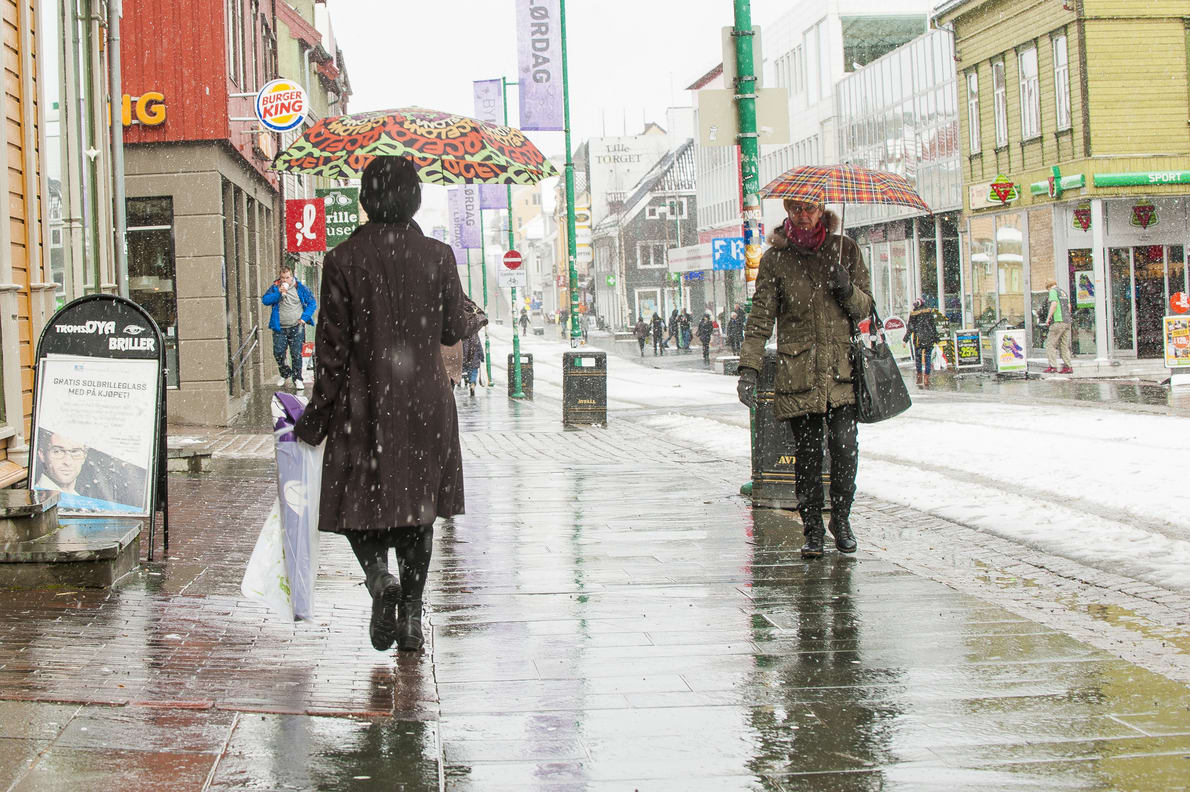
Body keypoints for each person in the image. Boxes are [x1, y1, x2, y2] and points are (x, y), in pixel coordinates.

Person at [295, 156, 486, 654]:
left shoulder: (342, 260)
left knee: (356, 504)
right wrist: (469, 312)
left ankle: (380, 578)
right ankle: (411, 621)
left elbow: (332, 352)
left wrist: (316, 418)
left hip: (364, 404)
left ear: (365, 198)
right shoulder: (438, 255)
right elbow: (452, 329)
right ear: (415, 200)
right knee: (419, 512)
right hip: (425, 404)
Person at [737, 198, 873, 559]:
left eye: (809, 208)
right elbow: (760, 318)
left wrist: (847, 289)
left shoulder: (846, 250)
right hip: (799, 372)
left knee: (845, 448)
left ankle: (841, 519)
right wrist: (749, 368)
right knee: (808, 455)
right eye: (796, 208)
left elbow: (866, 308)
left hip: (840, 372)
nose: (803, 215)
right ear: (787, 210)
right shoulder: (776, 260)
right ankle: (812, 527)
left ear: (821, 209)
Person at [261, 263, 317, 389]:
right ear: (280, 277)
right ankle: (285, 373)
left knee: (296, 354)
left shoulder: (300, 288)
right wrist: (278, 294)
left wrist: (304, 318)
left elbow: (312, 303)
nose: (285, 280)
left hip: (296, 326)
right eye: (283, 278)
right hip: (280, 327)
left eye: (287, 277)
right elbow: (265, 300)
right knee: (278, 352)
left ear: (292, 277)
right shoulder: (275, 287)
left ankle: (297, 378)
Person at [904, 298, 940, 388]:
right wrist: (936, 338)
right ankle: (926, 378)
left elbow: (910, 328)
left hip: (918, 340)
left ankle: (919, 377)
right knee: (928, 359)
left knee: (918, 358)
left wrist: (905, 340)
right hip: (929, 339)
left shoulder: (913, 314)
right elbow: (933, 326)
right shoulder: (928, 312)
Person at [1041, 278, 1074, 374]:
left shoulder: (1053, 291)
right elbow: (1069, 306)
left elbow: (1054, 304)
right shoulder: (1063, 292)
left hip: (1057, 321)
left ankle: (1053, 366)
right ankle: (1068, 367)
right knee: (1064, 345)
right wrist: (1067, 316)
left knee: (1050, 344)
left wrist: (1048, 318)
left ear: (1048, 286)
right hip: (1067, 321)